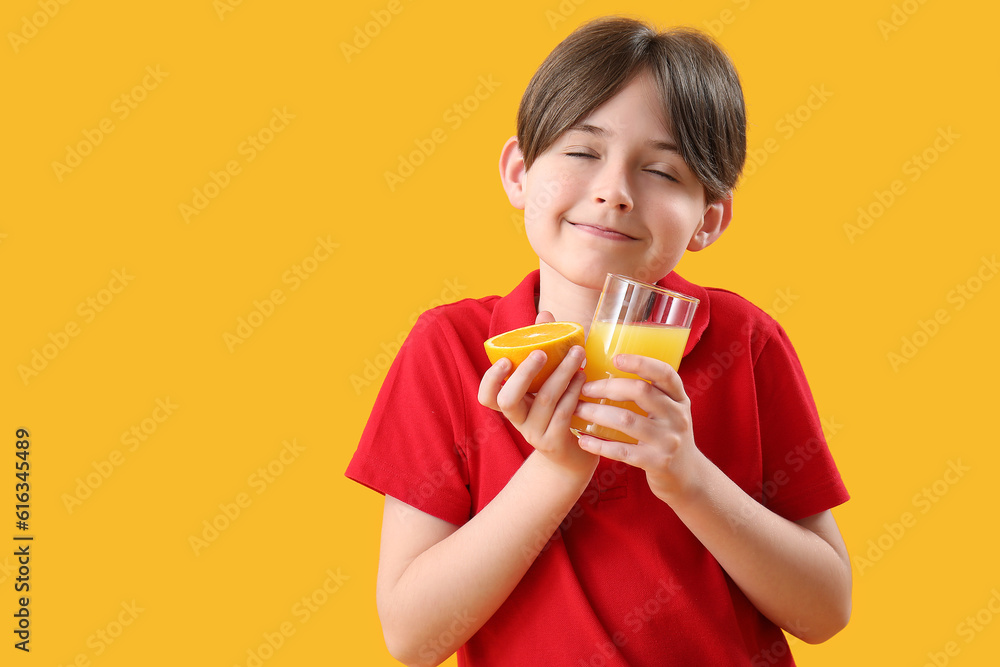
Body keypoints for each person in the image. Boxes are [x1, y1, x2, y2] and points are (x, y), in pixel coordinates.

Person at [346, 16, 850, 667]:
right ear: (519, 172)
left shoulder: (747, 343)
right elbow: (413, 639)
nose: (614, 192)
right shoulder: (448, 349)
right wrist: (557, 468)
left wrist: (688, 477)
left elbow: (824, 611)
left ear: (709, 218)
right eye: (583, 153)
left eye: (662, 171)